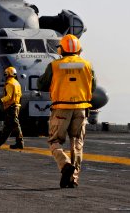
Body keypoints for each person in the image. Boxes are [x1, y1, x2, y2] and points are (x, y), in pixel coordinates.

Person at [38, 34, 96, 188]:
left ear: (61, 49)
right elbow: (93, 86)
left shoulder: (55, 65)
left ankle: (65, 165)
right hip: (81, 109)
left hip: (61, 109)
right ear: (79, 49)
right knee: (77, 143)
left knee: (54, 141)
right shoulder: (87, 65)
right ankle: (73, 179)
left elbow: (42, 85)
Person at [0, 66, 24, 149]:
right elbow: (20, 95)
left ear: (7, 74)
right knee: (8, 127)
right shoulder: (17, 83)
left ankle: (20, 143)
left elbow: (9, 96)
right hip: (16, 105)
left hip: (11, 107)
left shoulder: (9, 83)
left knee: (15, 125)